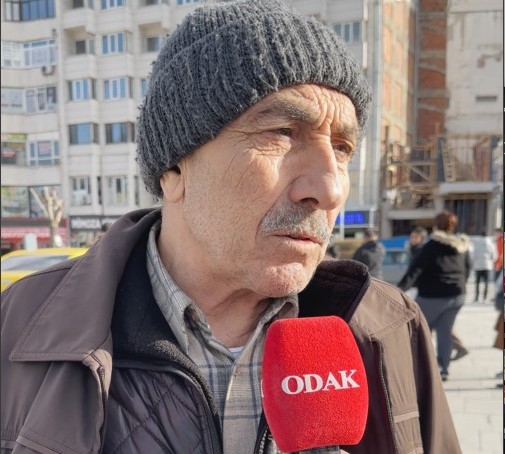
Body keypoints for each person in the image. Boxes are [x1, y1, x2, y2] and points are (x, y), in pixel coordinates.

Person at [1, 1, 461, 453]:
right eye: (281, 132)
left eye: (341, 148)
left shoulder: (390, 327)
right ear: (173, 170)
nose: (331, 188)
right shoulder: (20, 327)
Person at [398, 210, 472, 382]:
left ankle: (422, 368)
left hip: (432, 296)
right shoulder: (462, 245)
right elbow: (468, 268)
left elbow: (415, 269)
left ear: (436, 226)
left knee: (417, 328)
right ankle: (444, 369)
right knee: (445, 331)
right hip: (458, 295)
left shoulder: (431, 246)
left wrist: (399, 289)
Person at [471, 231, 496, 303]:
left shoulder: (477, 243)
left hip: (478, 265)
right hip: (487, 265)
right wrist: (491, 262)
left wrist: (474, 262)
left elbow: (473, 254)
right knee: (486, 283)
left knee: (477, 282)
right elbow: (494, 254)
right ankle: (485, 297)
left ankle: (476, 297)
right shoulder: (490, 243)